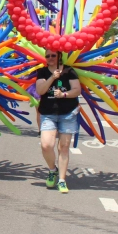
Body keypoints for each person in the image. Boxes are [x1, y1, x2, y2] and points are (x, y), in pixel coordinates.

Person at [35, 50, 82, 194]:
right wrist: (52, 77)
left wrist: (64, 94)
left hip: (67, 113)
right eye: (47, 56)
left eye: (53, 55)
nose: (50, 58)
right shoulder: (42, 72)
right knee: (46, 145)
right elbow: (40, 91)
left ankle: (62, 180)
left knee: (64, 147)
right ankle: (52, 170)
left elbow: (77, 90)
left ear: (59, 56)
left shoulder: (69, 71)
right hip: (48, 113)